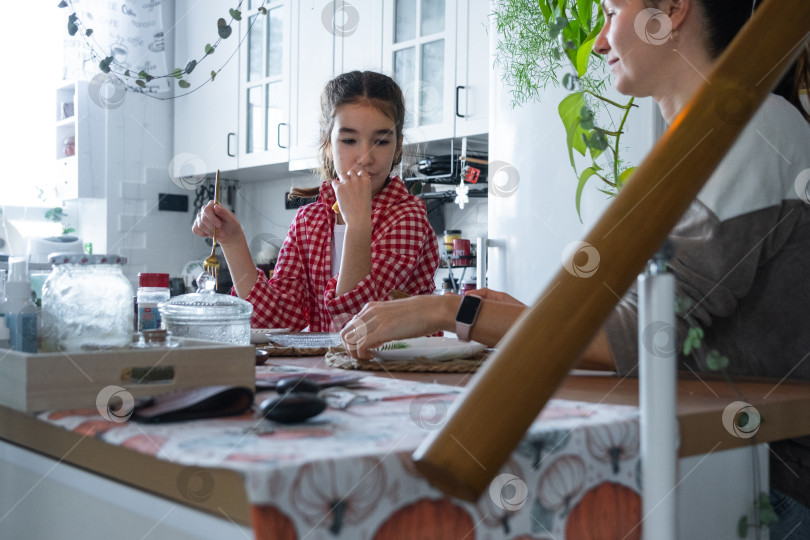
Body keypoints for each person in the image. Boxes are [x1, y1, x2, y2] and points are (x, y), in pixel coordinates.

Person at [340, 0, 810, 534]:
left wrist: (452, 309)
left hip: (766, 484)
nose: (601, 42)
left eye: (610, 13)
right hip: (714, 462)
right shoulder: (708, 138)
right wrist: (532, 316)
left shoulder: (751, 127)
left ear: (673, 10)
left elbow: (647, 331)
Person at [193, 71, 440, 332]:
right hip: (332, 370)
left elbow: (359, 325)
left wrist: (357, 223)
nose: (365, 158)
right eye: (349, 140)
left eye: (381, 141)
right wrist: (233, 242)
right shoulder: (308, 221)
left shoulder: (407, 216)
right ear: (328, 146)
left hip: (402, 370)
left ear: (398, 147)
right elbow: (276, 321)